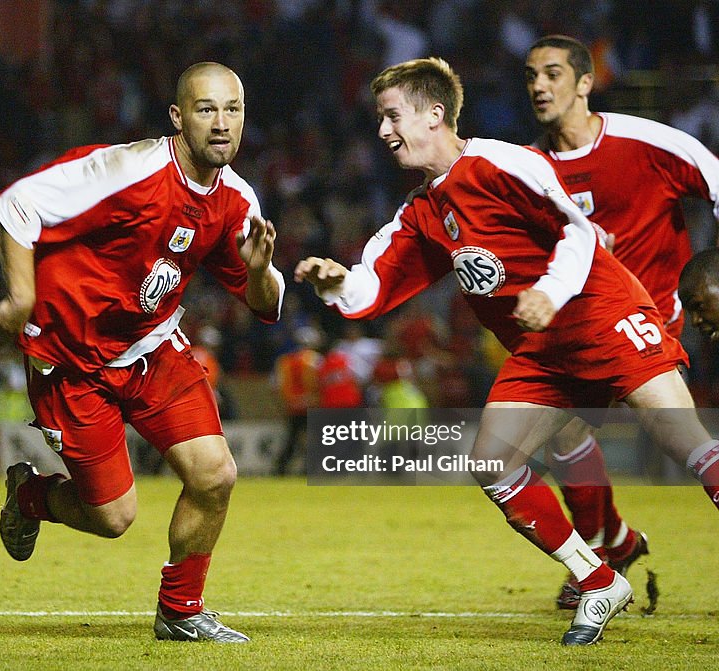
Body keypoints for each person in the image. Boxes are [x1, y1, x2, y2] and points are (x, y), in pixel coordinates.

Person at [295, 57, 719, 646]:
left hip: (602, 315)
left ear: (434, 114)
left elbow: (576, 230)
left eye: (393, 116)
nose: (384, 132)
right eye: (380, 120)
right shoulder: (422, 213)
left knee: (688, 444)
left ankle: (613, 543)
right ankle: (598, 579)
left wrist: (548, 291)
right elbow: (371, 286)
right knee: (492, 463)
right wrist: (334, 281)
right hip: (544, 353)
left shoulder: (501, 163)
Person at [0, 62, 283, 643]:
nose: (221, 124)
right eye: (206, 109)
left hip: (150, 348)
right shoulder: (124, 169)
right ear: (178, 117)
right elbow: (16, 207)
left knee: (215, 475)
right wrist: (21, 296)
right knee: (113, 517)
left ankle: (181, 611)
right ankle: (30, 494)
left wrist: (260, 271)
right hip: (70, 361)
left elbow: (267, 304)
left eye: (232, 110)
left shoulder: (238, 201)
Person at [525, 34, 719, 609]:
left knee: (678, 434)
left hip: (648, 318)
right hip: (581, 327)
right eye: (531, 75)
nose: (539, 85)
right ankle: (610, 539)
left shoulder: (645, 142)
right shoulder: (527, 168)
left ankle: (607, 543)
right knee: (561, 432)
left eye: (554, 74)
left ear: (586, 82)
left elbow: (714, 180)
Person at [273, 325, 323, 475]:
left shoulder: (285, 361)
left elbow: (276, 386)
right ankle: (308, 469)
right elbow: (321, 382)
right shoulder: (315, 360)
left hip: (292, 406)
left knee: (292, 440)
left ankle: (281, 468)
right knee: (314, 439)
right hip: (311, 404)